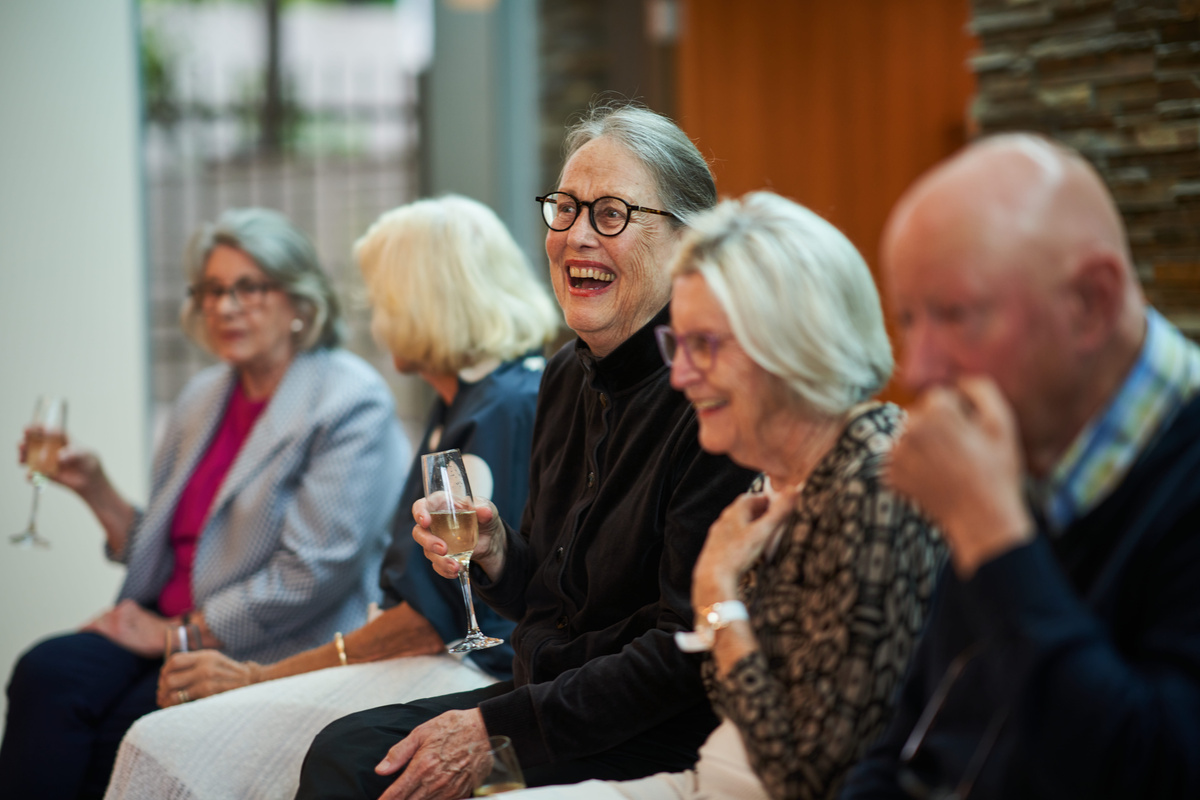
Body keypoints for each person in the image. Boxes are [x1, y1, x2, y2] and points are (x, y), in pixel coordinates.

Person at [294, 101, 758, 799]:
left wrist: (492, 730)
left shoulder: (709, 395)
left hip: (639, 727)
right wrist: (496, 553)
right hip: (541, 695)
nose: (575, 237)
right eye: (565, 209)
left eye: (611, 215)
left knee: (360, 769)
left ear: (687, 243)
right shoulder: (567, 372)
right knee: (347, 749)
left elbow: (681, 653)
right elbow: (549, 591)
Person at [100, 195, 562, 800]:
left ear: (427, 300)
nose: (374, 316)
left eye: (383, 298)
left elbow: (432, 621)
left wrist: (254, 676)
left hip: (461, 665)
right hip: (425, 654)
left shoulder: (500, 407)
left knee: (165, 744)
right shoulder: (468, 400)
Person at [506, 192, 945, 800]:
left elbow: (813, 778)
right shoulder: (784, 477)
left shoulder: (876, 488)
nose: (680, 376)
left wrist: (717, 599)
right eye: (676, 345)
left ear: (793, 345)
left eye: (703, 346)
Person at [0, 208, 408, 800]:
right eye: (213, 290)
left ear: (299, 301)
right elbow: (168, 550)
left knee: (126, 730)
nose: (225, 307)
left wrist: (177, 635)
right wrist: (95, 488)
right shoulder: (202, 395)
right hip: (162, 623)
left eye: (249, 288)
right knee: (46, 672)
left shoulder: (349, 401)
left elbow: (311, 571)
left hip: (261, 645)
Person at [838, 134, 1200, 799]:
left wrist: (991, 530)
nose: (917, 371)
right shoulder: (1024, 445)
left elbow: (1153, 770)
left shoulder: (1177, 479)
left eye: (955, 316)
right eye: (908, 320)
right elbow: (907, 744)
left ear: (1090, 303)